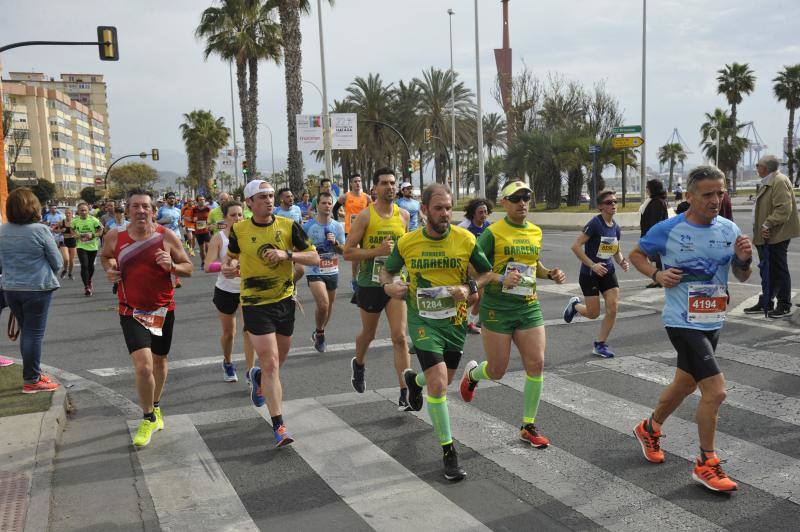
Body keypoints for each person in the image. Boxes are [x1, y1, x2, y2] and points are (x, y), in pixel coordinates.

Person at [628, 165, 753, 492]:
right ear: (690, 196)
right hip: (681, 321)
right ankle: (706, 463)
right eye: (708, 194)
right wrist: (656, 275)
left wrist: (743, 259)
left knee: (684, 383)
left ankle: (649, 428)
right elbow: (638, 254)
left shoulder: (728, 229)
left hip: (713, 320)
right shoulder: (668, 229)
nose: (716, 200)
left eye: (720, 192)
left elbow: (742, 276)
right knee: (716, 390)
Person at [384, 184, 493, 481]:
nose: (445, 214)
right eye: (438, 208)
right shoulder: (407, 242)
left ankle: (412, 381)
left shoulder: (466, 239)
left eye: (448, 208)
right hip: (423, 320)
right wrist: (389, 286)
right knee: (440, 384)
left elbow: (486, 273)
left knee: (439, 379)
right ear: (424, 210)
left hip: (454, 323)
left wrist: (469, 288)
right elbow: (386, 272)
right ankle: (449, 452)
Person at [459, 180, 567, 448]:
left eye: (526, 198)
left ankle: (528, 425)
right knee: (497, 371)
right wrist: (500, 278)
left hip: (528, 305)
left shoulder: (535, 231)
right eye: (516, 198)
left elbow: (534, 265)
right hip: (497, 309)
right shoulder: (492, 233)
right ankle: (473, 375)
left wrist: (550, 273)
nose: (522, 203)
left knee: (537, 364)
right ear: (504, 203)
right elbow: (474, 270)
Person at [223, 180, 318, 447]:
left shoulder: (288, 226)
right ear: (249, 203)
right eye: (262, 196)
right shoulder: (239, 230)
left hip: (285, 301)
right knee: (271, 363)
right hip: (254, 303)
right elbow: (231, 257)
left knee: (278, 359)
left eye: (271, 196)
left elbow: (314, 258)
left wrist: (287, 254)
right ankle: (279, 426)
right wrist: (229, 267)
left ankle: (257, 378)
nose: (269, 200)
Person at [101, 188, 193, 447]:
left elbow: (188, 268)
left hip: (162, 309)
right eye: (136, 206)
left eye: (146, 207)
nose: (141, 211)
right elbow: (106, 257)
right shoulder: (114, 236)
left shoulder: (167, 236)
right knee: (143, 365)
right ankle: (148, 417)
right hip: (131, 310)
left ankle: (156, 405)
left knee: (160, 361)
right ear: (127, 210)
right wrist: (110, 269)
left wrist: (172, 266)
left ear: (153, 211)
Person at [343, 168, 412, 409]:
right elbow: (348, 251)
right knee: (368, 334)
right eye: (384, 183)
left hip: (394, 281)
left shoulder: (404, 215)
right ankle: (359, 363)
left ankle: (406, 390)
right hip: (370, 283)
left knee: (400, 336)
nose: (390, 187)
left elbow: (407, 248)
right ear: (374, 188)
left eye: (393, 183)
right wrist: (377, 252)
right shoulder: (365, 216)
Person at [0, 188, 63, 393]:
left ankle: (32, 375)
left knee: (27, 332)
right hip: (37, 288)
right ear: (33, 206)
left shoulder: (2, 231)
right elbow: (57, 262)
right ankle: (32, 379)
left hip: (10, 288)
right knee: (33, 334)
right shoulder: (40, 230)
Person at [563, 190, 630, 358]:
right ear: (600, 206)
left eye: (614, 201)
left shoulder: (615, 227)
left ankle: (600, 344)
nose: (613, 204)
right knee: (593, 314)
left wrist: (621, 261)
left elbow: (615, 249)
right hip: (590, 274)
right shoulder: (594, 224)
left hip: (608, 272)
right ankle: (575, 306)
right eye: (608, 202)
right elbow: (576, 246)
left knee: (613, 308)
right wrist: (593, 265)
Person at [204, 201, 255, 383]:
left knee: (249, 330)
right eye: (233, 215)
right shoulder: (219, 238)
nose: (237, 218)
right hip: (226, 290)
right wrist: (224, 265)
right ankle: (227, 362)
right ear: (225, 217)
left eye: (240, 214)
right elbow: (207, 266)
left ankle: (250, 371)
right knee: (229, 333)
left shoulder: (250, 235)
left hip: (247, 289)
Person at [744, 155, 800, 318]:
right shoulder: (769, 180)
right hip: (766, 234)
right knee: (767, 270)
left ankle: (784, 304)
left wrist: (767, 223)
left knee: (778, 269)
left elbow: (783, 209)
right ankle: (767, 301)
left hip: (776, 234)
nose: (756, 167)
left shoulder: (779, 181)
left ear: (765, 168)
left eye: (757, 165)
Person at [302, 192, 345, 352]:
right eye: (324, 203)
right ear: (317, 205)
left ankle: (319, 330)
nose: (327, 206)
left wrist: (335, 243)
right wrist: (311, 250)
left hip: (332, 269)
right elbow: (300, 248)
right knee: (323, 303)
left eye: (329, 203)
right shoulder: (308, 227)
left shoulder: (337, 226)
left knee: (328, 306)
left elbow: (343, 251)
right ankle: (320, 334)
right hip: (314, 270)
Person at [458, 198, 493, 333]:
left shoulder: (489, 228)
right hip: (466, 267)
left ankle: (470, 322)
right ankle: (455, 316)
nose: (483, 215)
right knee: (474, 297)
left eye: (485, 212)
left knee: (481, 297)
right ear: (473, 213)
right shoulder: (464, 228)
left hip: (482, 268)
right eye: (480, 212)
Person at [335, 174, 371, 297]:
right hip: (350, 229)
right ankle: (354, 279)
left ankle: (363, 276)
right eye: (355, 181)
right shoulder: (346, 196)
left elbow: (374, 210)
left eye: (359, 181)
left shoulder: (367, 197)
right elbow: (335, 209)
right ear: (351, 183)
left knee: (364, 253)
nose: (358, 183)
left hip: (364, 229)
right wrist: (335, 222)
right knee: (356, 254)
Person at [640, 179, 669, 288]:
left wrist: (650, 236)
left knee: (657, 258)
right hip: (654, 234)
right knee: (657, 258)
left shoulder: (657, 202)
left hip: (655, 235)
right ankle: (658, 279)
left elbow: (655, 221)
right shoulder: (655, 200)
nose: (646, 189)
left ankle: (659, 279)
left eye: (648, 187)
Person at [72, 201, 104, 296]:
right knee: (84, 265)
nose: (84, 212)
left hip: (93, 246)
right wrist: (76, 235)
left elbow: (101, 231)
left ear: (88, 210)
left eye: (85, 210)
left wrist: (92, 235)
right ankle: (86, 286)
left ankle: (89, 280)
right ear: (78, 211)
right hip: (81, 246)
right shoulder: (75, 221)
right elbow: (72, 230)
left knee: (90, 266)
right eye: (81, 210)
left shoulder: (94, 220)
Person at [42, 203, 68, 278]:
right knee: (53, 251)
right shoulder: (47, 216)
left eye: (55, 208)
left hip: (60, 236)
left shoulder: (61, 216)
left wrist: (60, 229)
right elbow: (43, 223)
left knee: (62, 252)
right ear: (49, 209)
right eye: (52, 208)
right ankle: (55, 267)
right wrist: (45, 223)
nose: (54, 209)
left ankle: (62, 265)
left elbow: (64, 225)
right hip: (50, 236)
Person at [192, 195, 212, 268]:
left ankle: (208, 261)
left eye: (203, 199)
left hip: (206, 230)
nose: (202, 201)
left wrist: (210, 225)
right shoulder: (194, 209)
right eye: (200, 200)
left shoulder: (208, 209)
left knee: (208, 246)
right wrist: (194, 220)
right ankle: (203, 262)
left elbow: (211, 218)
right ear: (197, 201)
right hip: (198, 232)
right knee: (201, 248)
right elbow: (192, 218)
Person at [59, 207, 77, 280]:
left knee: (72, 261)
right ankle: (65, 270)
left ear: (72, 214)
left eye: (69, 213)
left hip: (73, 241)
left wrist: (75, 234)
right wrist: (61, 230)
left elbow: (79, 232)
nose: (67, 214)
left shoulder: (75, 222)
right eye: (66, 213)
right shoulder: (61, 222)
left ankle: (70, 273)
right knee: (66, 259)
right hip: (64, 241)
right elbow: (54, 230)